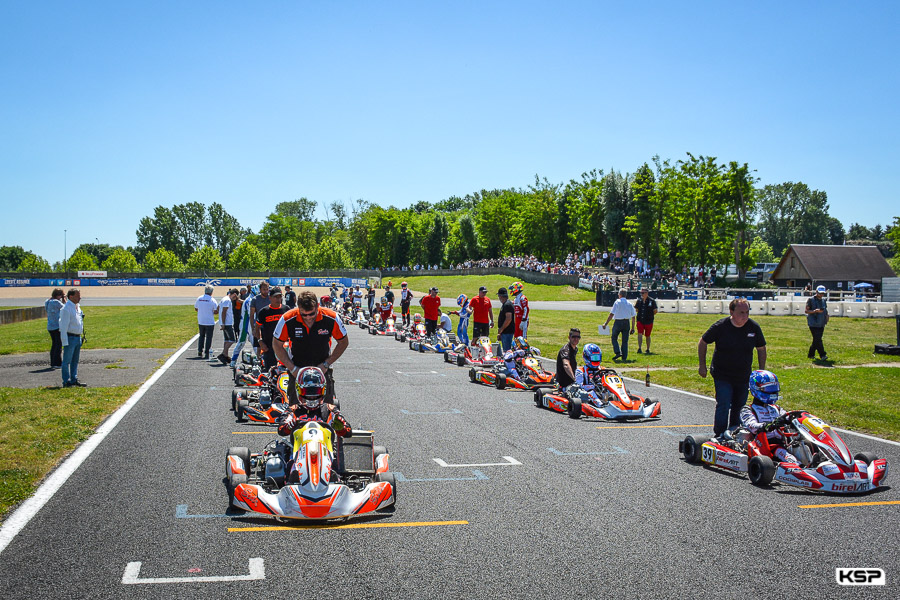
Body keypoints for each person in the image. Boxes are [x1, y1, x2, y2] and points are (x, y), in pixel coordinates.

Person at [698, 298, 767, 441]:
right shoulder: (721, 326)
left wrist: (762, 371)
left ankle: (734, 431)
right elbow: (703, 342)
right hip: (722, 373)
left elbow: (761, 348)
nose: (745, 316)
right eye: (741, 312)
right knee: (724, 402)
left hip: (743, 374)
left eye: (747, 312)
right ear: (732, 312)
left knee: (740, 405)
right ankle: (720, 434)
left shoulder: (753, 328)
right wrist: (702, 365)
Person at [273, 290, 349, 405]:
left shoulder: (331, 317)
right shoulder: (287, 318)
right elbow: (276, 344)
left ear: (318, 306)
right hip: (297, 368)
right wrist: (292, 368)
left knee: (327, 407)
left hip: (322, 367)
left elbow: (344, 342)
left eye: (312, 314)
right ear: (298, 308)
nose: (308, 318)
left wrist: (326, 364)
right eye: (304, 314)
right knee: (295, 408)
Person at [739, 370, 799, 463]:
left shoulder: (776, 408)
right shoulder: (748, 410)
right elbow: (752, 426)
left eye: (774, 388)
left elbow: (787, 417)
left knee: (806, 444)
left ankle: (818, 461)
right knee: (789, 457)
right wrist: (768, 425)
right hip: (767, 444)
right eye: (769, 389)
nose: (772, 392)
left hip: (784, 441)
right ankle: (799, 467)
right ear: (756, 388)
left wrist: (794, 419)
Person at [256, 286, 289, 370]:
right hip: (269, 346)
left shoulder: (286, 309)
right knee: (270, 371)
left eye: (279, 297)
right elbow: (257, 328)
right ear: (270, 298)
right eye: (275, 297)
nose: (278, 299)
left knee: (286, 371)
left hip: (285, 346)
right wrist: (260, 342)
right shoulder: (264, 311)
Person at [58, 288, 85, 387]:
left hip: (77, 337)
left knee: (75, 360)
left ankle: (74, 379)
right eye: (78, 296)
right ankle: (66, 381)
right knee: (67, 361)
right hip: (70, 337)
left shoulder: (78, 307)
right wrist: (64, 341)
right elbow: (63, 326)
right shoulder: (66, 309)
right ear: (71, 296)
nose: (80, 297)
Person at [603, 289, 636, 361]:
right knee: (625, 340)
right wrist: (633, 328)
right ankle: (624, 357)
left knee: (614, 337)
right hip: (626, 322)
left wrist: (606, 323)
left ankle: (617, 351)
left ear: (620, 295)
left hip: (618, 322)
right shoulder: (629, 303)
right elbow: (633, 316)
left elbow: (612, 313)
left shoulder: (617, 302)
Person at [230, 285, 257, 369]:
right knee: (242, 342)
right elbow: (251, 314)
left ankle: (259, 360)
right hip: (246, 324)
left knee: (254, 342)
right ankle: (233, 361)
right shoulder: (250, 300)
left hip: (248, 323)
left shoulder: (250, 299)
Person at [805, 285, 829, 361]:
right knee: (818, 339)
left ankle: (811, 354)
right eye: (820, 293)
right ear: (816, 292)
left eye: (822, 293)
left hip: (821, 322)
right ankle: (823, 355)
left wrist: (827, 316)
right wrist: (815, 311)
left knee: (816, 339)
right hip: (813, 323)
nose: (821, 295)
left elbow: (825, 310)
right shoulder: (810, 300)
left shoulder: (823, 300)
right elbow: (806, 311)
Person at [194, 285, 218, 359]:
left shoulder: (199, 298)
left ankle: (200, 350)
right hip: (209, 321)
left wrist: (202, 310)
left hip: (201, 320)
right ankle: (207, 352)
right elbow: (216, 311)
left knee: (201, 336)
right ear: (211, 292)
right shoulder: (212, 300)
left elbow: (196, 308)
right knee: (209, 337)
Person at [45, 288, 65, 369]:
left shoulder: (48, 301)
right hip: (57, 326)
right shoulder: (56, 302)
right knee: (58, 345)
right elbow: (65, 308)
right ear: (59, 295)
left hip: (50, 325)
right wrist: (64, 300)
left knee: (54, 345)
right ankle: (57, 363)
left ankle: (53, 362)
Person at [249, 282, 271, 357]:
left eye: (267, 289)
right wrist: (253, 328)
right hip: (259, 326)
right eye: (264, 289)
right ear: (260, 290)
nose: (266, 291)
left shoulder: (271, 298)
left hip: (270, 325)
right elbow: (251, 315)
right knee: (259, 347)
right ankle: (259, 362)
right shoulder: (255, 299)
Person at [217, 288, 238, 365]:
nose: (235, 299)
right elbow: (224, 312)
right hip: (227, 323)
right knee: (232, 340)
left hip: (226, 322)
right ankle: (223, 354)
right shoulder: (227, 300)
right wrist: (223, 324)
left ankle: (225, 355)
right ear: (234, 294)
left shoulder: (224, 299)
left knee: (227, 340)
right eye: (235, 297)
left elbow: (218, 308)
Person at [634, 289, 658, 354]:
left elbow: (655, 310)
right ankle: (639, 347)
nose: (642, 294)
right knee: (640, 333)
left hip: (648, 321)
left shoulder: (652, 301)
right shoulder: (639, 301)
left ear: (647, 293)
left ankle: (647, 348)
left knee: (647, 335)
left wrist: (649, 315)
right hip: (640, 320)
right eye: (641, 293)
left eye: (643, 293)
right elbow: (636, 309)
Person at [497, 287, 515, 352]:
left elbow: (508, 319)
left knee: (507, 351)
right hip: (505, 331)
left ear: (501, 296)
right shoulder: (505, 304)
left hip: (507, 331)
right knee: (505, 349)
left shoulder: (507, 305)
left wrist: (501, 329)